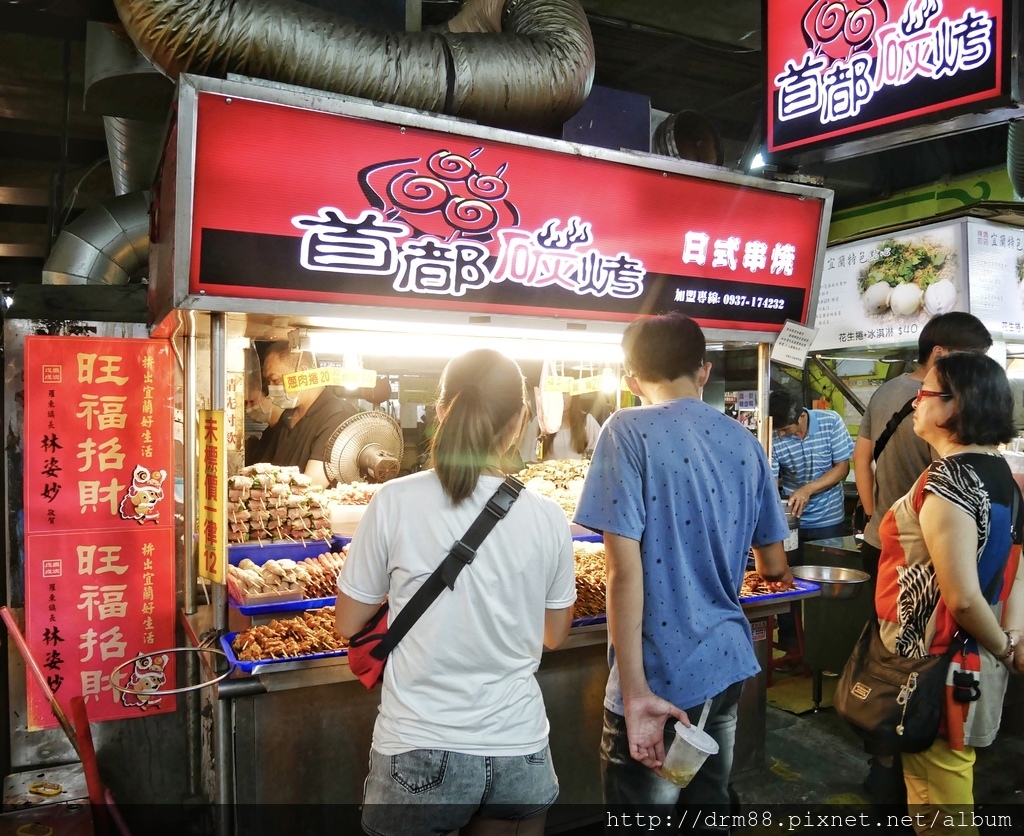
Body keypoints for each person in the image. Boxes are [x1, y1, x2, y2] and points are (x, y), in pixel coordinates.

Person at [334, 349, 577, 836]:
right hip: (519, 749)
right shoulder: (549, 516)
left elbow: (345, 623)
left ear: (441, 410)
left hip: (419, 747)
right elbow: (554, 635)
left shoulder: (394, 501)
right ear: (521, 421)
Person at [572, 312, 793, 822]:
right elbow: (773, 561)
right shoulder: (746, 443)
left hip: (660, 676)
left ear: (631, 378)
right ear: (704, 371)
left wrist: (634, 695)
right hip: (725, 660)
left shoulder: (626, 429)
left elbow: (621, 574)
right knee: (707, 808)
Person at [873, 352, 1023, 834]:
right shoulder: (1002, 475)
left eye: (926, 394)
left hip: (939, 667)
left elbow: (959, 598)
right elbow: (1016, 570)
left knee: (940, 796)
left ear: (955, 406)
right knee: (938, 782)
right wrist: (1011, 639)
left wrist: (1004, 648)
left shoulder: (950, 482)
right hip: (975, 656)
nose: (915, 402)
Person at [851, 311, 991, 800]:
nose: (917, 401)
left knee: (892, 664)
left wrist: (874, 517)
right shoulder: (979, 463)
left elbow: (860, 456)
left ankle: (887, 753)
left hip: (909, 584)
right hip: (934, 590)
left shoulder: (946, 477)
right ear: (943, 356)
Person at [768, 388, 855, 665]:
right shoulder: (771, 436)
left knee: (824, 590)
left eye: (785, 429)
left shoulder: (830, 422)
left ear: (801, 417)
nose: (781, 435)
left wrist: (808, 489)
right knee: (785, 583)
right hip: (792, 525)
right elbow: (770, 481)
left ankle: (825, 654)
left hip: (828, 522)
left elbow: (842, 468)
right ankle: (792, 650)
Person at [258, 341, 357, 487]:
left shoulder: (339, 416)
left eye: (276, 380)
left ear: (302, 373)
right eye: (269, 382)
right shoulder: (288, 415)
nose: (271, 388)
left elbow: (312, 486)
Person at [519, 392, 602, 462]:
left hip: (579, 478)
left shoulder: (587, 421)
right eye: (557, 392)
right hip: (546, 478)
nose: (561, 397)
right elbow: (527, 456)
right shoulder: (540, 422)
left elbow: (599, 453)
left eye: (565, 392)